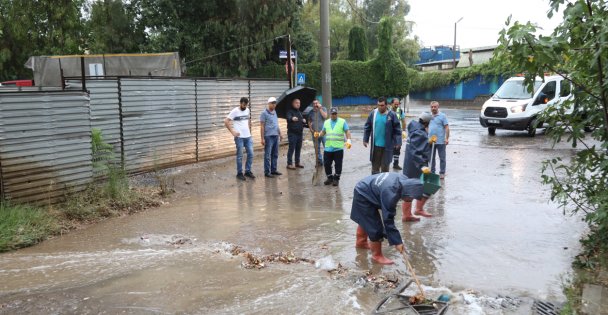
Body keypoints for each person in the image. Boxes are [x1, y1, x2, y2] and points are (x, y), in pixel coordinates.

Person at [350, 172, 424, 265]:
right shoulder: (390, 193)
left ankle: (361, 243)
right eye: (412, 198)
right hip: (363, 193)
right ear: (407, 192)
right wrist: (397, 242)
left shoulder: (404, 180)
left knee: (365, 219)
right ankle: (377, 256)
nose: (412, 200)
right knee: (375, 227)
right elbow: (388, 219)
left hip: (366, 186)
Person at [402, 112, 433, 221]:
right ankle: (418, 209)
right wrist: (422, 166)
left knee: (409, 189)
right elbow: (415, 151)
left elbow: (417, 147)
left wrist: (428, 142)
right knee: (431, 184)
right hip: (416, 165)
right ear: (426, 122)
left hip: (409, 164)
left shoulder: (414, 128)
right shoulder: (420, 133)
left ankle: (407, 215)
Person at [363, 97, 402, 174]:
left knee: (385, 169)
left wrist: (398, 142)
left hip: (387, 147)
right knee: (375, 168)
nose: (380, 107)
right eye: (378, 105)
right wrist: (365, 139)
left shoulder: (391, 115)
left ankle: (384, 185)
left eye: (382, 105)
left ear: (386, 105)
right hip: (376, 146)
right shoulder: (373, 114)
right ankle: (374, 184)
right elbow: (367, 127)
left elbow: (397, 129)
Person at [318, 107, 351, 186]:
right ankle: (329, 178)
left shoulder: (342, 121)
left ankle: (336, 179)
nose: (334, 115)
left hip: (338, 148)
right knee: (327, 164)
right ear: (330, 114)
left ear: (337, 114)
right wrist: (318, 134)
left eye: (335, 113)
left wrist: (349, 140)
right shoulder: (326, 122)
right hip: (328, 148)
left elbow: (347, 131)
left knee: (338, 164)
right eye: (332, 114)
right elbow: (323, 132)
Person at [224, 97, 255, 181]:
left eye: (246, 105)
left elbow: (247, 119)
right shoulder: (235, 111)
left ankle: (247, 171)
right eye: (243, 105)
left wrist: (248, 126)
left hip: (248, 137)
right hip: (239, 138)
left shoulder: (247, 110)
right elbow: (226, 121)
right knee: (240, 156)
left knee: (251, 154)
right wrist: (232, 132)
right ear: (240, 103)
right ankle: (239, 173)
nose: (244, 106)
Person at [260, 97, 283, 178]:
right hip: (268, 136)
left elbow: (276, 124)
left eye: (275, 103)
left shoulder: (275, 112)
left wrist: (280, 133)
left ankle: (274, 170)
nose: (274, 105)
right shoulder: (264, 113)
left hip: (275, 135)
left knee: (275, 154)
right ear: (268, 104)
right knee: (267, 155)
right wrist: (262, 138)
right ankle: (267, 172)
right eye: (272, 103)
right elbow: (262, 126)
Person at [429, 101, 450, 179]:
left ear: (438, 107)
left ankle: (442, 173)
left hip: (441, 141)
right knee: (431, 158)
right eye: (432, 107)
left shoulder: (442, 116)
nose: (433, 108)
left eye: (435, 107)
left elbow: (447, 127)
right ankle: (432, 172)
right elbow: (426, 127)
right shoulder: (429, 116)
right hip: (430, 141)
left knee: (442, 158)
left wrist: (447, 138)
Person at [307, 99, 328, 166]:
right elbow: (309, 121)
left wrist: (320, 109)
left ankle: (327, 161)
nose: (315, 105)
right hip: (315, 133)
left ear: (319, 103)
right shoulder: (311, 112)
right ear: (312, 105)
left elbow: (325, 116)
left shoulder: (323, 109)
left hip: (323, 132)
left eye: (316, 103)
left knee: (327, 147)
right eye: (314, 103)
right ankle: (319, 161)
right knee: (317, 148)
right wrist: (311, 129)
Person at [286, 98, 305, 170]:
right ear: (293, 103)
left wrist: (303, 120)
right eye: (296, 103)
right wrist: (292, 118)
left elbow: (301, 121)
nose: (298, 104)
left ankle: (297, 162)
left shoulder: (300, 112)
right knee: (291, 148)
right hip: (292, 133)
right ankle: (289, 164)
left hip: (300, 133)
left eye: (299, 103)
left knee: (298, 148)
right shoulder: (289, 112)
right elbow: (288, 118)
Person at [390, 97, 407, 170]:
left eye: (398, 104)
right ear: (391, 104)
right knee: (388, 148)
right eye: (395, 104)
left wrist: (403, 130)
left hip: (397, 132)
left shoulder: (400, 111)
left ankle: (395, 164)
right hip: (389, 132)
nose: (397, 105)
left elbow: (403, 121)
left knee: (397, 148)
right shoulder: (387, 111)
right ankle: (384, 163)